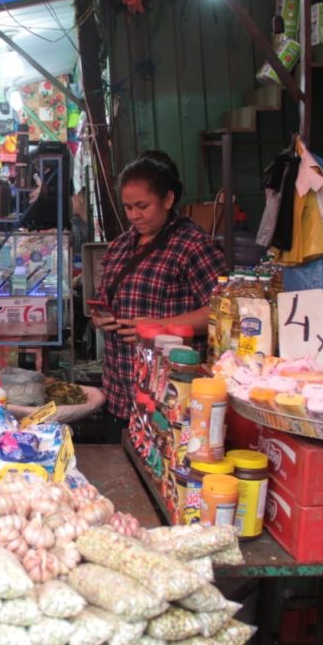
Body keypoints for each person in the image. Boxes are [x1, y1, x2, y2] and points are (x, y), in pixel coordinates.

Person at [91, 151, 225, 435]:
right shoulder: (119, 247)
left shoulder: (193, 246)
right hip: (121, 391)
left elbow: (221, 311)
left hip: (170, 396)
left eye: (142, 206)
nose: (134, 215)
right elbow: (105, 303)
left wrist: (158, 327)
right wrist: (101, 319)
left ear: (168, 200)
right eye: (128, 207)